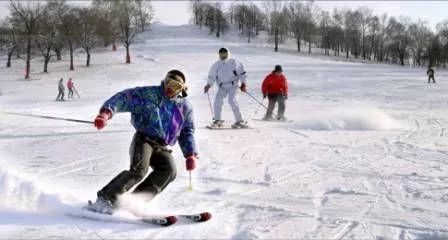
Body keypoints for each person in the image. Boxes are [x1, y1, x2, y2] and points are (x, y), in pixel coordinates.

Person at [86, 69, 198, 214]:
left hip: (161, 145)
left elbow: (186, 131)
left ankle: (135, 201)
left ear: (182, 90)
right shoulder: (148, 95)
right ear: (164, 82)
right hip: (143, 139)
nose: (171, 89)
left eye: (176, 87)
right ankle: (106, 198)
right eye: (169, 84)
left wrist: (190, 154)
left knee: (169, 171)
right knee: (139, 170)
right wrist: (106, 113)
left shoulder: (184, 108)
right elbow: (124, 98)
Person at [204, 47, 248, 128]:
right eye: (221, 53)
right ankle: (218, 120)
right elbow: (212, 76)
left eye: (224, 53)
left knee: (232, 100)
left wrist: (243, 84)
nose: (223, 55)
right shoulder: (217, 64)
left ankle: (240, 121)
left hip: (233, 86)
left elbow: (242, 73)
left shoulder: (234, 62)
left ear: (228, 53)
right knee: (217, 101)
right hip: (222, 86)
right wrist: (208, 85)